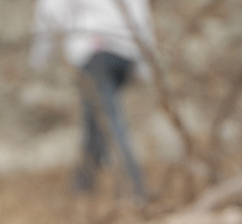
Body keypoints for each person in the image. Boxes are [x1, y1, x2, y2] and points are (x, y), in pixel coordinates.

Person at [30, 0, 155, 203]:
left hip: (97, 51)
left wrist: (39, 59)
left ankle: (135, 190)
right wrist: (144, 66)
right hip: (126, 54)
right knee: (95, 123)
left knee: (109, 122)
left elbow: (50, 9)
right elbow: (141, 16)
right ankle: (83, 190)